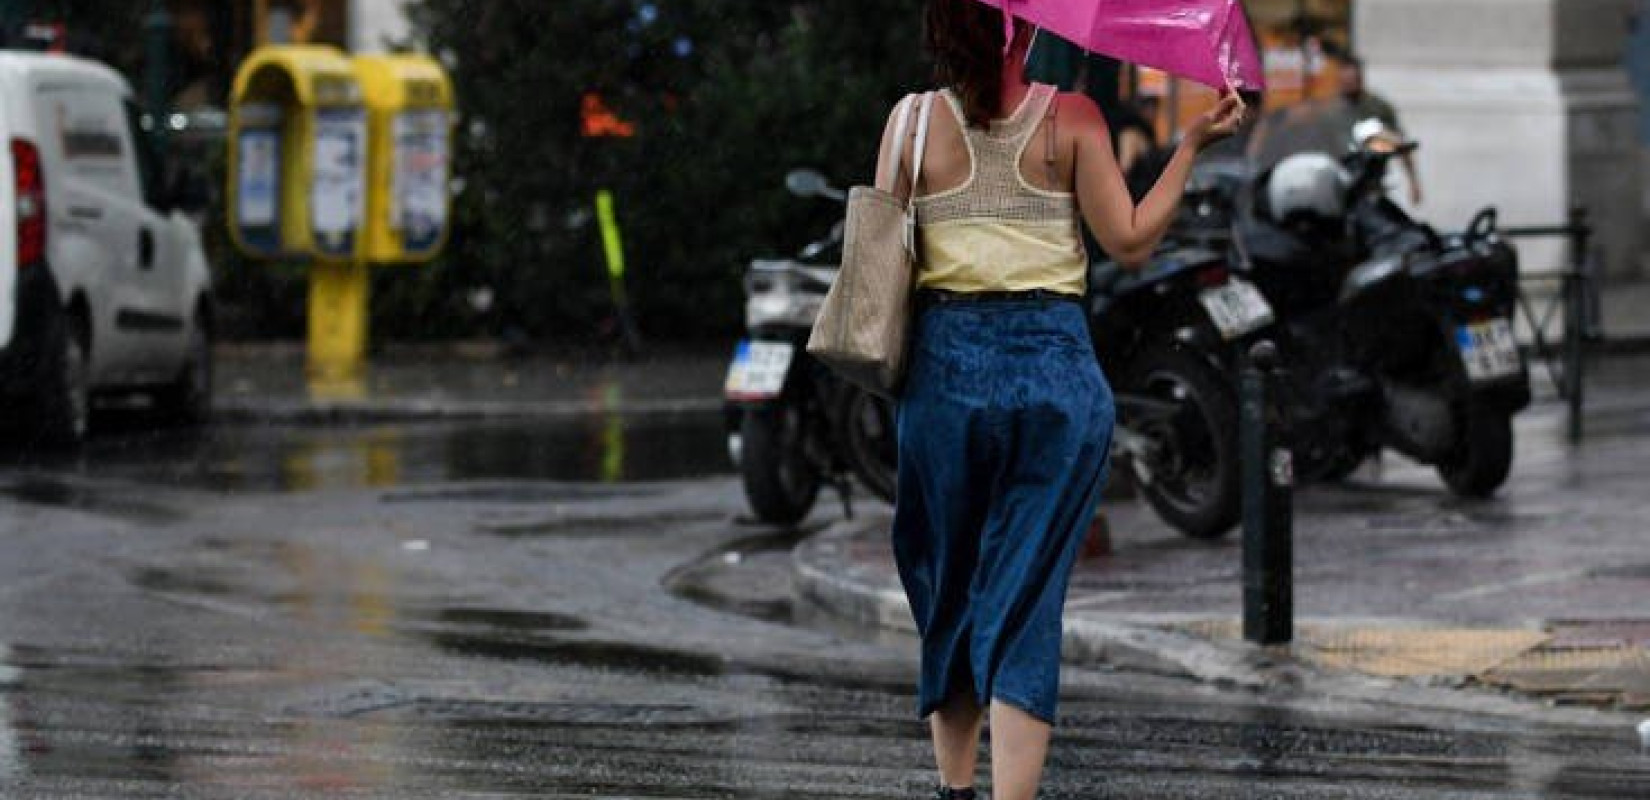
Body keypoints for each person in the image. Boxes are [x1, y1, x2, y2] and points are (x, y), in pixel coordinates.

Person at [875, 3, 1245, 800]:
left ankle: (955, 791)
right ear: (1018, 31)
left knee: (951, 588)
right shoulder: (1071, 120)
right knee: (1024, 597)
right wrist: (1190, 147)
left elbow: (883, 258)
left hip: (944, 377)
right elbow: (1134, 239)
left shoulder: (907, 126)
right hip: (1055, 379)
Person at [1331, 51, 1423, 205]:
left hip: (1370, 185)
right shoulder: (1329, 109)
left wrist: (1414, 183)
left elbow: (1400, 144)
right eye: (1344, 80)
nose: (1348, 84)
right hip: (1336, 183)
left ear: (1360, 78)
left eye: (1352, 79)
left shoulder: (1378, 107)